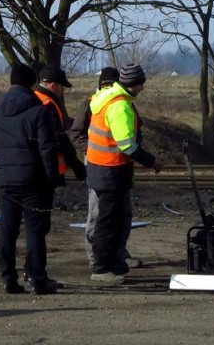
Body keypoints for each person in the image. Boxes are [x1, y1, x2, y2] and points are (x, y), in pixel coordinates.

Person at [0, 63, 59, 295]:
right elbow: (47, 149)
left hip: (6, 178)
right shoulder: (39, 111)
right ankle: (37, 278)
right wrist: (51, 178)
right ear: (32, 83)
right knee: (35, 231)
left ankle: (7, 277)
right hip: (33, 180)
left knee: (8, 228)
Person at [85, 63, 162, 285]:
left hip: (101, 169)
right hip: (111, 171)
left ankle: (112, 264)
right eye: (141, 84)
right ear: (134, 84)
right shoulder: (120, 107)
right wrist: (153, 162)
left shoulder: (106, 98)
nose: (143, 88)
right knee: (108, 222)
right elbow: (127, 145)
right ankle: (101, 269)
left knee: (111, 220)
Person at [67, 67, 141, 273]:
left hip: (117, 168)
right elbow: (77, 134)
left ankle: (117, 254)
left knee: (120, 216)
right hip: (103, 168)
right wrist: (93, 152)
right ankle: (97, 259)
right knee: (100, 217)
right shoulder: (97, 104)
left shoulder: (121, 104)